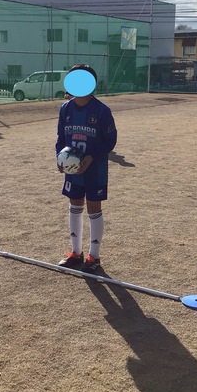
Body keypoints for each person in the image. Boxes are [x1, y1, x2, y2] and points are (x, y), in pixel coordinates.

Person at [56, 64, 117, 273]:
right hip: (73, 170)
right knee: (74, 205)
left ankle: (94, 256)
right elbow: (61, 139)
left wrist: (91, 157)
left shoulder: (101, 111)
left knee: (93, 208)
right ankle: (76, 252)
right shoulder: (65, 109)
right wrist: (59, 157)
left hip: (94, 169)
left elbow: (110, 141)